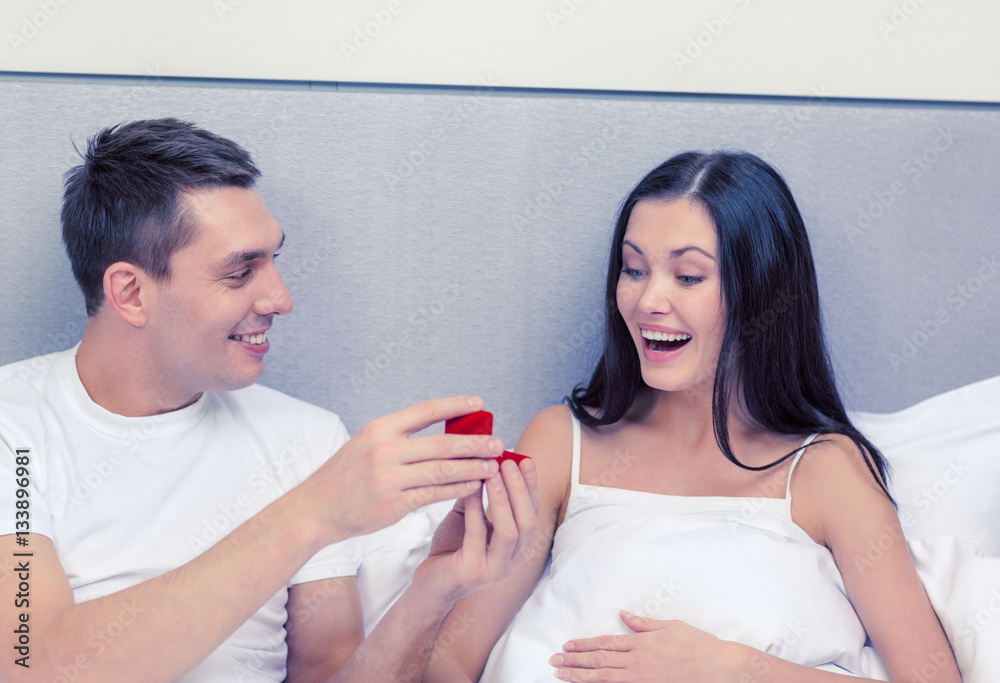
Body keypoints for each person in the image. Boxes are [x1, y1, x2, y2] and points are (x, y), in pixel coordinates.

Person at [0, 118, 538, 683]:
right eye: (239, 272)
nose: (280, 298)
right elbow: (32, 663)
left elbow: (328, 675)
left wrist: (431, 593)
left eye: (273, 260)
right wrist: (315, 511)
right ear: (130, 293)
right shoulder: (16, 428)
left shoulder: (304, 437)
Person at [423, 151, 961, 682]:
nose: (647, 299)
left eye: (688, 277)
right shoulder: (563, 442)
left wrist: (731, 669)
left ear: (761, 294)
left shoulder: (826, 470)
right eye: (634, 269)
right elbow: (449, 663)